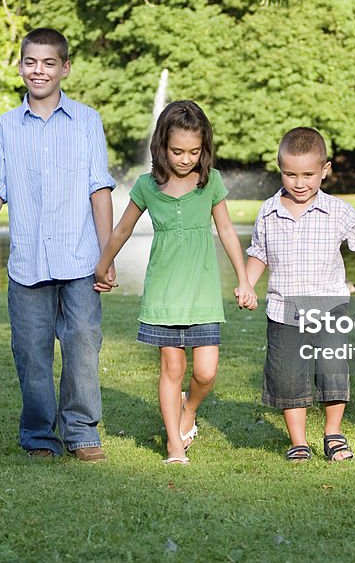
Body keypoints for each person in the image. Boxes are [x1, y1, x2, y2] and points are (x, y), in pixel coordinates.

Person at [0, 28, 115, 462]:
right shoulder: (4, 127)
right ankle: (38, 434)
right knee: (31, 352)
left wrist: (106, 256)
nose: (39, 70)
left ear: (65, 68)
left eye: (49, 63)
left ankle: (81, 429)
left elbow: (99, 189)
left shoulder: (88, 121)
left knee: (83, 346)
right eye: (31, 62)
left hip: (79, 259)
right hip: (28, 262)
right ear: (20, 67)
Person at [94, 101, 257, 465]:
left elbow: (227, 231)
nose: (185, 159)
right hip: (164, 293)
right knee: (172, 368)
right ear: (162, 147)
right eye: (178, 151)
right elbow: (122, 230)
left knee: (206, 371)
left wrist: (244, 279)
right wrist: (102, 266)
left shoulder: (210, 182)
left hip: (202, 293)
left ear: (205, 149)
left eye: (194, 152)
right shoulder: (146, 186)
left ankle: (189, 410)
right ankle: (173, 445)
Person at [245, 127, 355, 462]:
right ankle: (298, 441)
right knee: (289, 377)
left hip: (329, 310)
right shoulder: (268, 211)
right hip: (284, 311)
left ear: (325, 170)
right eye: (290, 174)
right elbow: (259, 253)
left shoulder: (336, 211)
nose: (299, 182)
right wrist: (247, 283)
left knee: (333, 372)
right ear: (281, 170)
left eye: (308, 174)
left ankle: (333, 434)